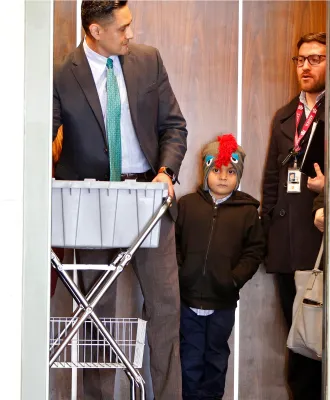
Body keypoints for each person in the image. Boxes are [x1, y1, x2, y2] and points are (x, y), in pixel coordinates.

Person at [53, 1, 187, 399]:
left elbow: (174, 126)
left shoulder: (149, 60)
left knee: (165, 308)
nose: (131, 34)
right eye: (122, 28)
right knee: (96, 313)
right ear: (95, 31)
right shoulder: (62, 74)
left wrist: (166, 172)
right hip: (91, 200)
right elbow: (40, 134)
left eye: (131, 25)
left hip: (148, 195)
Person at [261, 32, 326, 400]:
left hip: (319, 243)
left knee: (322, 336)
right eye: (301, 59)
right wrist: (268, 229)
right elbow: (272, 179)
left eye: (315, 59)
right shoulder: (285, 116)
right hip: (286, 244)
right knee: (297, 335)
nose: (305, 66)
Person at [176, 134, 264, 400]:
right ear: (206, 172)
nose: (223, 177)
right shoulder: (187, 206)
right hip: (188, 300)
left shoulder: (247, 212)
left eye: (230, 172)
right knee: (190, 358)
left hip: (222, 302)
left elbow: (254, 251)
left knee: (216, 359)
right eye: (216, 170)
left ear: (238, 175)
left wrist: (234, 279)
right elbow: (173, 244)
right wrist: (181, 274)